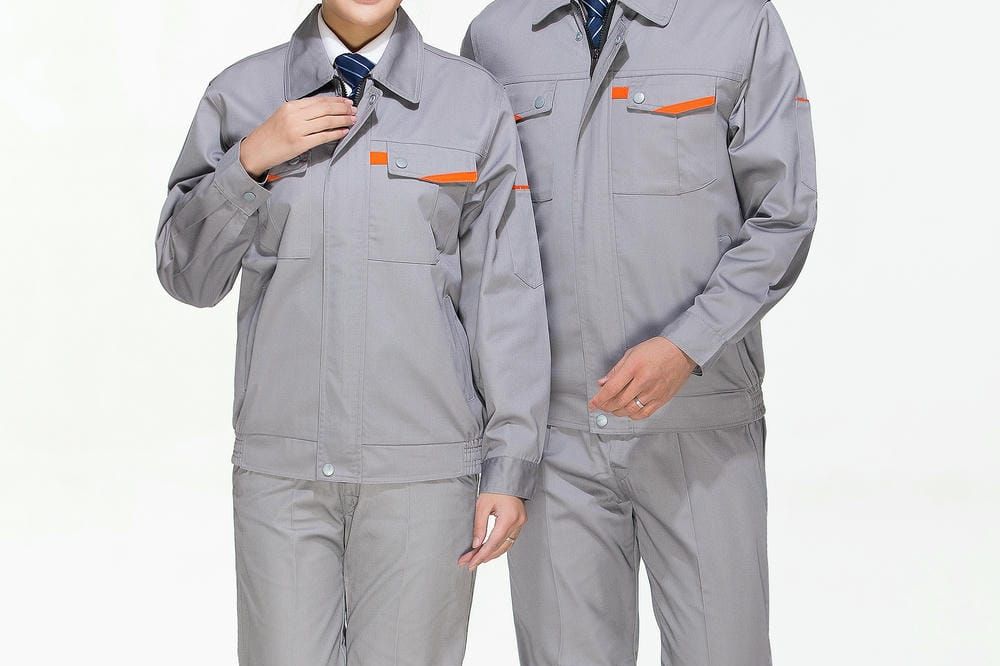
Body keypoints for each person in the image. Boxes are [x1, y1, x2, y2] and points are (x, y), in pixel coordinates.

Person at [155, 1, 549, 664]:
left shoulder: (470, 100)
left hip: (424, 472)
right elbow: (186, 275)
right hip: (284, 472)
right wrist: (250, 161)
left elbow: (505, 293)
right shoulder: (241, 94)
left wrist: (510, 463)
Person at [463, 0, 817, 664]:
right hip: (554, 439)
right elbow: (476, 242)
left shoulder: (737, 22)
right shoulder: (498, 35)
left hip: (699, 424)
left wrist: (688, 344)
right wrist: (503, 444)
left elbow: (782, 215)